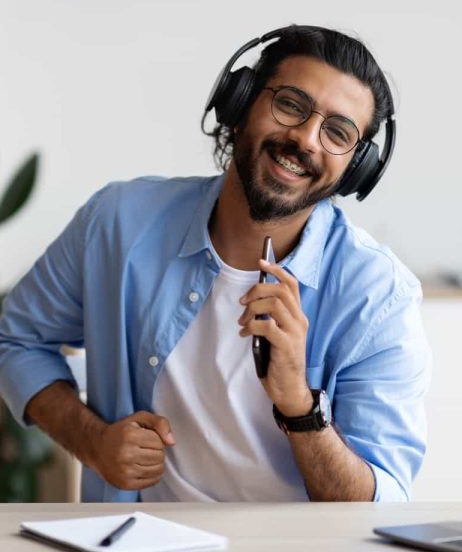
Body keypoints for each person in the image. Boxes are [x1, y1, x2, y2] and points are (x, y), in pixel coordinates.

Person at [0, 25, 431, 503]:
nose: (306, 139)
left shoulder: (379, 294)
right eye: (290, 104)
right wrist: (92, 441)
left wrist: (299, 405)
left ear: (356, 166)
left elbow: (381, 502)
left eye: (337, 132)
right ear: (241, 101)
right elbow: (14, 339)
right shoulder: (118, 222)